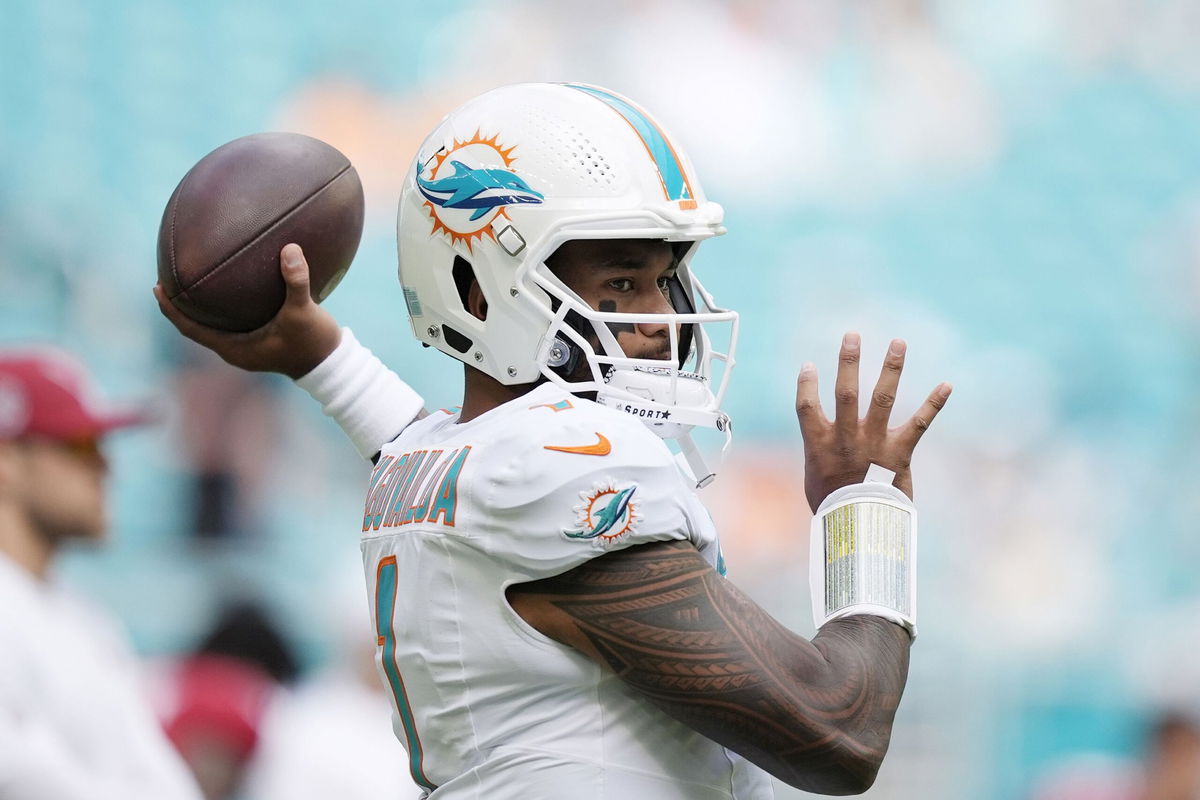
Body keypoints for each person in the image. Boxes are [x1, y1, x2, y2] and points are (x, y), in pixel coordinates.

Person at [156, 82, 952, 798]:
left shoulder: (442, 466)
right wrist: (864, 513)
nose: (660, 319)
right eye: (620, 283)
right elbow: (838, 731)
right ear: (477, 289)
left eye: (663, 281)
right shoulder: (552, 472)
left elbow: (413, 442)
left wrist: (322, 358)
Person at [0, 348, 202, 800]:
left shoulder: (88, 623)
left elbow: (161, 779)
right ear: (7, 460)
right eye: (80, 445)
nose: (106, 467)